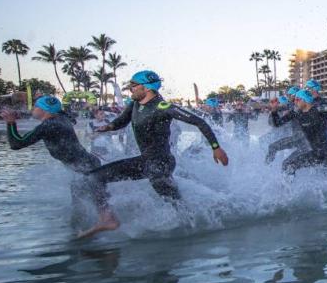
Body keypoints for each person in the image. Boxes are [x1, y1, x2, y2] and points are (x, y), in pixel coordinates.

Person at [91, 71, 228, 218]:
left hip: (161, 163)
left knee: (174, 201)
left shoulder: (163, 107)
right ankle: (106, 219)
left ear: (147, 87)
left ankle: (201, 220)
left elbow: (199, 122)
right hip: (145, 161)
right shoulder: (135, 105)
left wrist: (216, 148)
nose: (130, 89)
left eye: (133, 86)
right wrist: (108, 127)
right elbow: (122, 120)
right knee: (94, 178)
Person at [2, 97, 119, 238]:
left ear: (44, 110)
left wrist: (11, 123)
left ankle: (98, 225)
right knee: (81, 200)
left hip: (86, 169)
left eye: (35, 106)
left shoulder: (48, 126)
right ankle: (84, 232)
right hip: (88, 165)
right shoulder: (62, 118)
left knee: (85, 201)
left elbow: (17, 143)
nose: (32, 109)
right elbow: (65, 114)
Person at [269, 89, 327, 184]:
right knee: (288, 165)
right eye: (294, 100)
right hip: (313, 153)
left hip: (325, 154)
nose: (295, 102)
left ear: (304, 100)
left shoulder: (319, 109)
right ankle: (289, 192)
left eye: (297, 100)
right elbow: (277, 123)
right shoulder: (296, 113)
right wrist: (274, 110)